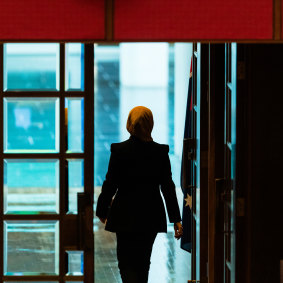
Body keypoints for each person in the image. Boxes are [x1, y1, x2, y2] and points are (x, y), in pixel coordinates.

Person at [96, 106, 183, 283]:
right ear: (150, 124)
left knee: (126, 262)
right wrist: (176, 218)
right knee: (143, 262)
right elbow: (168, 187)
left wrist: (102, 210)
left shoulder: (120, 151)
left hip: (124, 215)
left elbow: (110, 184)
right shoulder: (160, 152)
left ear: (130, 124)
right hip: (150, 215)